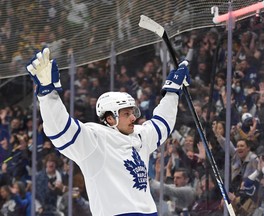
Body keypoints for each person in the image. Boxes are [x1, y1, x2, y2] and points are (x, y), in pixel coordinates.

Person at [26, 47, 191, 215]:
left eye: (133, 112)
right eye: (126, 114)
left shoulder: (139, 135)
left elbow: (162, 123)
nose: (133, 118)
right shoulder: (95, 140)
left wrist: (172, 92)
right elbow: (60, 129)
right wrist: (47, 94)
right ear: (110, 119)